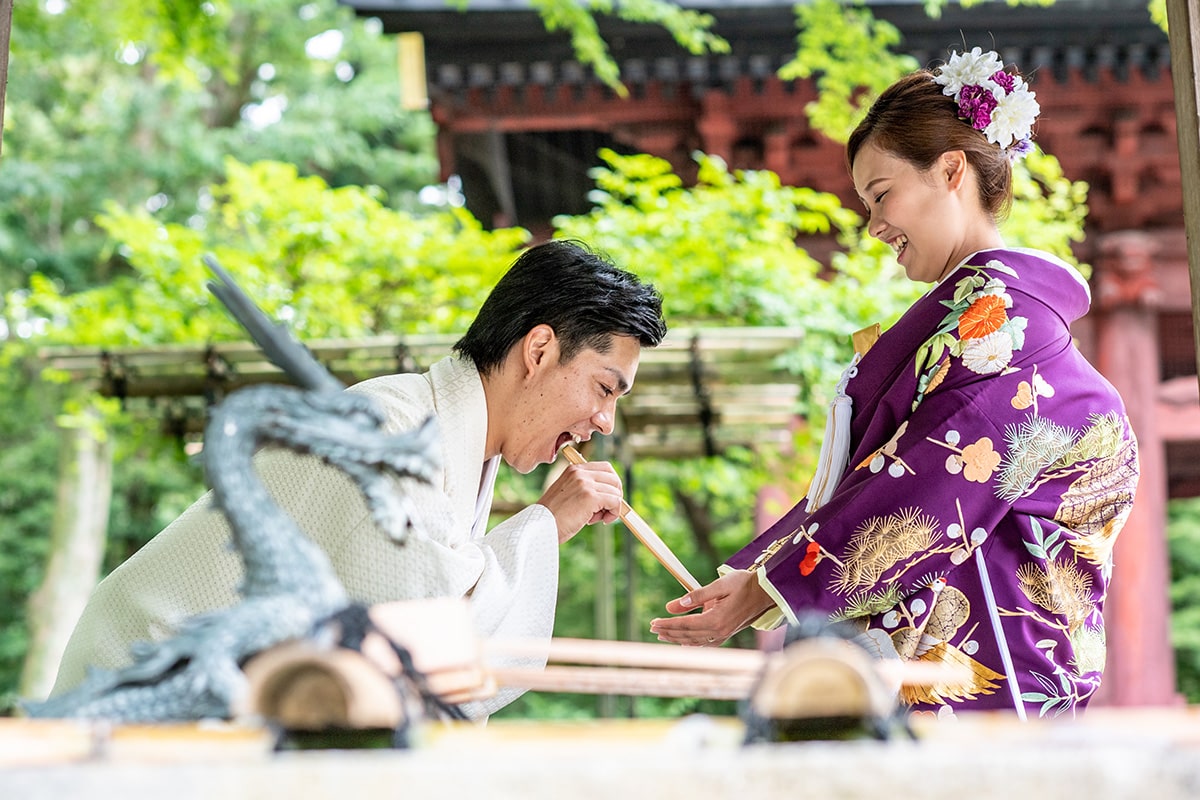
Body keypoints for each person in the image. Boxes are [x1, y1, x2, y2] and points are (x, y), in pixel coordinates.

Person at [650, 47, 1140, 721]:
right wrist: (762, 571)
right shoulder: (988, 326)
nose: (875, 227)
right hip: (973, 657)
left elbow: (926, 489)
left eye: (882, 196)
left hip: (992, 664)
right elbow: (886, 475)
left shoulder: (1006, 331)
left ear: (950, 171)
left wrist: (771, 582)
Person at [51, 239, 667, 718]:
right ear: (538, 351)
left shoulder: (446, 436)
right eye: (604, 388)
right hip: (147, 696)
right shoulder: (389, 424)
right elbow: (415, 632)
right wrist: (544, 525)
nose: (603, 422)